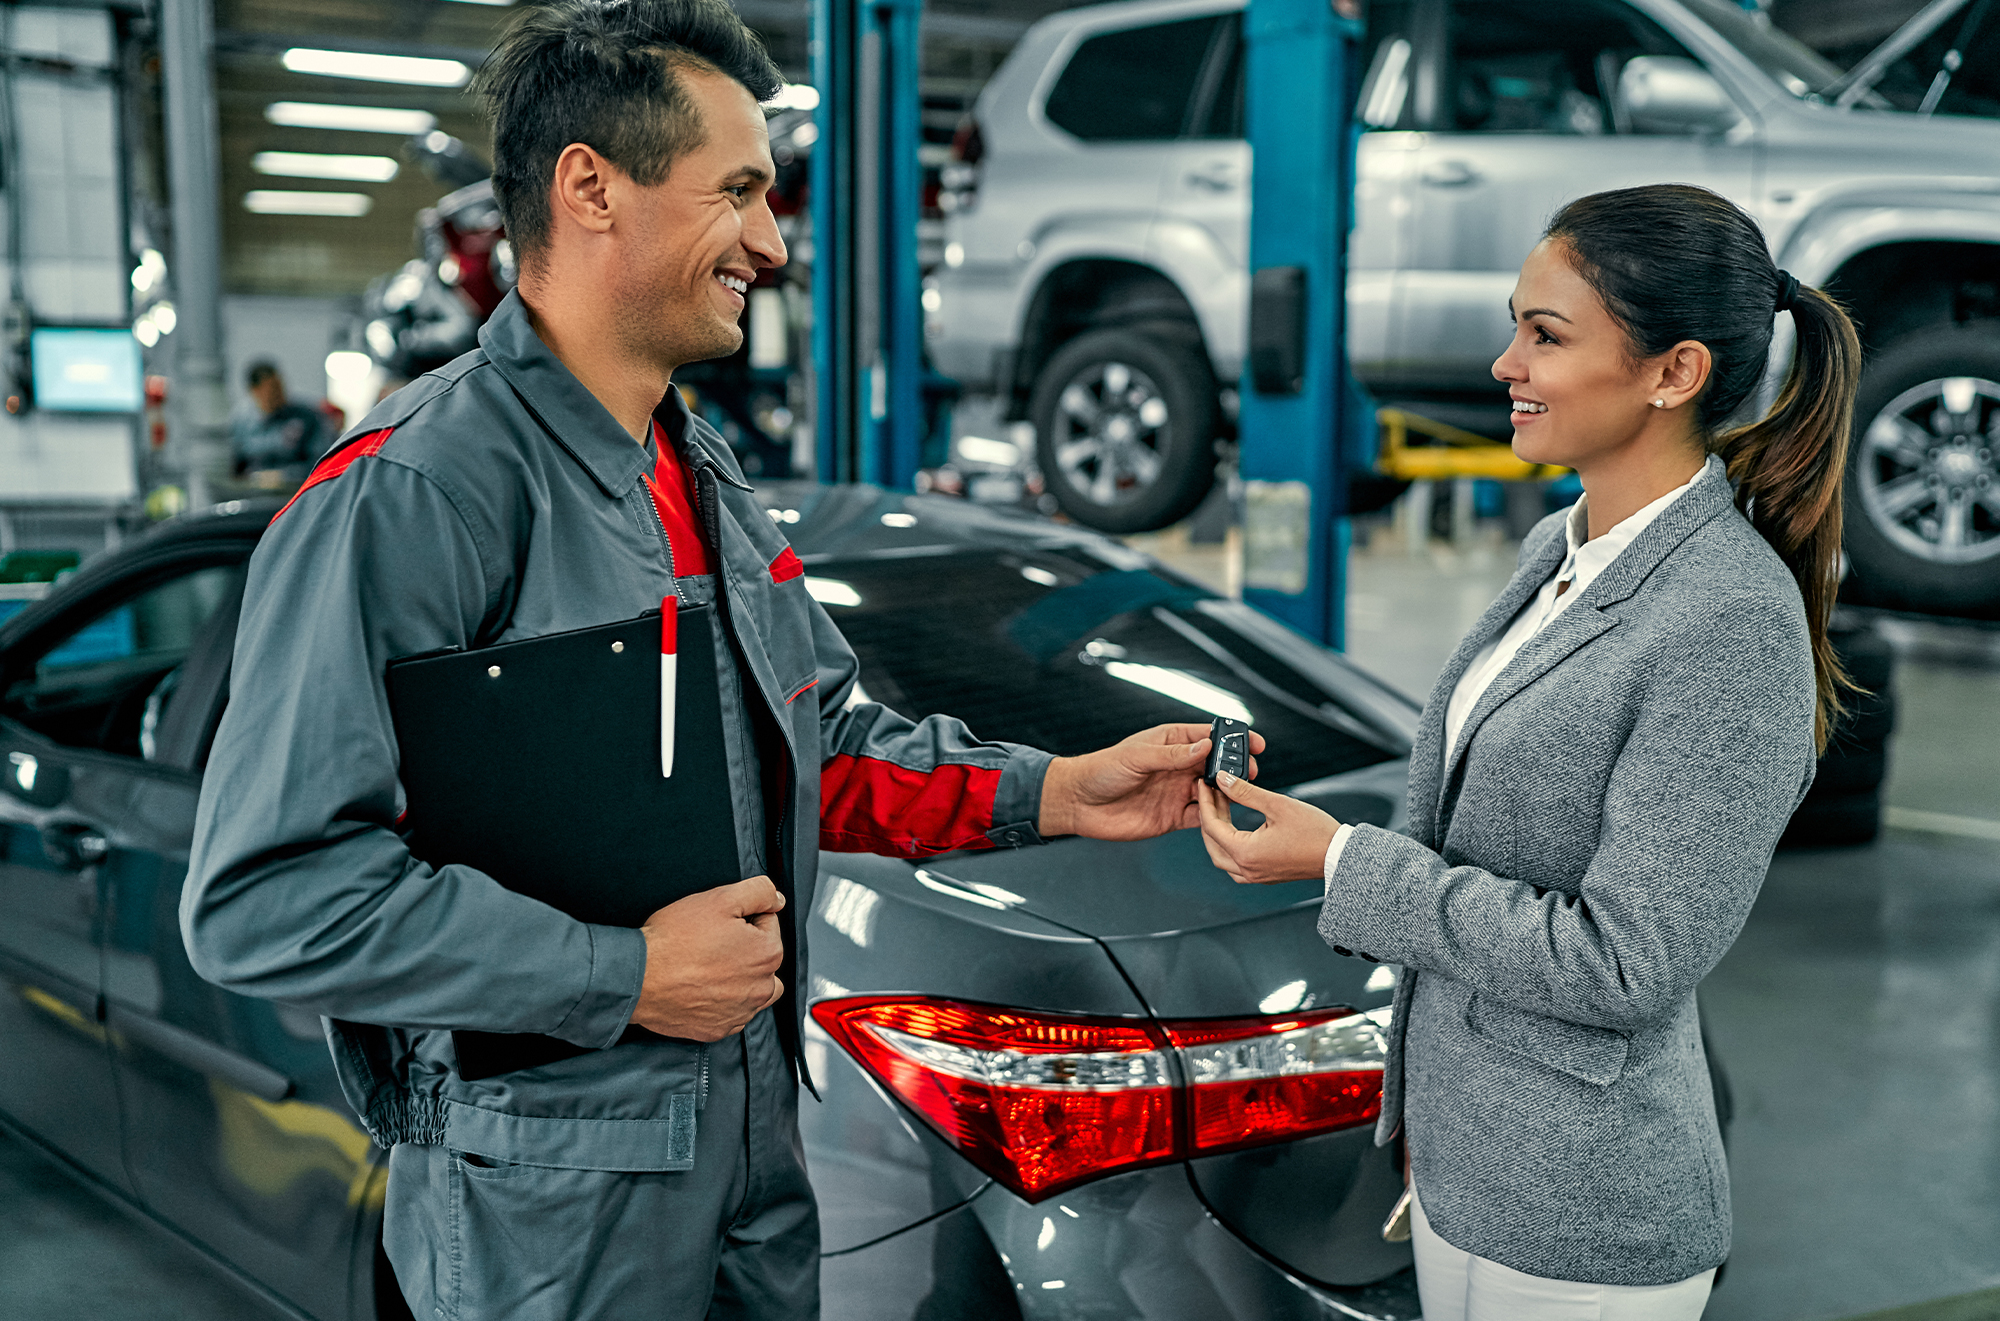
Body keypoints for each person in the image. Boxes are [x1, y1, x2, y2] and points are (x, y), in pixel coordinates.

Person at [180, 3, 1257, 1318]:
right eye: (737, 192)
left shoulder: (700, 468)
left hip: (750, 1155)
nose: (772, 240)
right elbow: (267, 893)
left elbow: (817, 750)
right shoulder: (421, 490)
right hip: (551, 1205)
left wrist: (1055, 791)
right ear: (591, 188)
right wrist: (622, 974)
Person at [1196, 183, 1860, 1320]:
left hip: (1581, 1221)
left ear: (1672, 373)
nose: (1505, 362)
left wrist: (1343, 864)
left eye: (1544, 336)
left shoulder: (1726, 620)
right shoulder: (1566, 545)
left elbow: (1624, 963)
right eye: (1515, 325)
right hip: (1466, 1168)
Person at [232, 360, 329, 485]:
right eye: (272, 390)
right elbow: (236, 468)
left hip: (295, 492)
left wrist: (284, 476)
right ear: (254, 391)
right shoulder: (242, 423)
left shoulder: (306, 418)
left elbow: (320, 462)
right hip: (254, 495)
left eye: (280, 387)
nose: (280, 394)